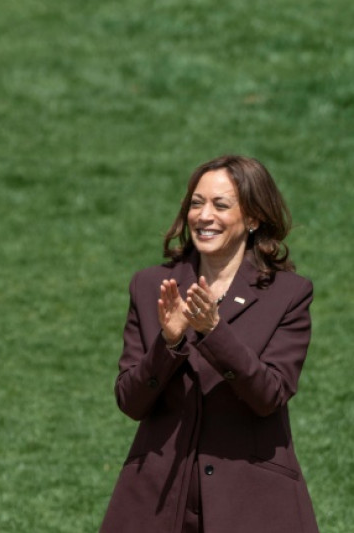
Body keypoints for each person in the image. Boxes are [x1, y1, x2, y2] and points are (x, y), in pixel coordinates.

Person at [100, 155, 318, 532]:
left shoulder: (288, 294)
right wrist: (168, 344)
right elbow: (130, 401)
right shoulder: (151, 285)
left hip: (252, 499)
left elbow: (269, 395)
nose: (204, 216)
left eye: (221, 205)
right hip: (160, 497)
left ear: (252, 218)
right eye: (196, 203)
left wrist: (215, 332)